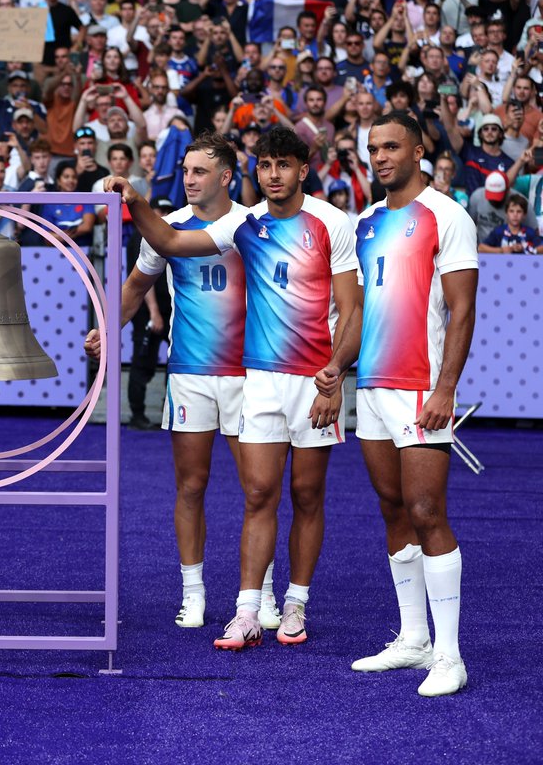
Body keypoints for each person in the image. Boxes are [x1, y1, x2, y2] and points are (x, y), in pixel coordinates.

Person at [113, 126, 361, 651]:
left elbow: (353, 307)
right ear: (255, 172)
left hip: (314, 380)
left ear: (302, 169)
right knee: (256, 493)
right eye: (265, 165)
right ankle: (246, 608)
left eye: (283, 165)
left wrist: (336, 373)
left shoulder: (331, 222)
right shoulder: (244, 226)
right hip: (259, 383)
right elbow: (171, 242)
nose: (273, 175)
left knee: (307, 494)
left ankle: (292, 601)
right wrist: (135, 199)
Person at [315, 111, 478, 697]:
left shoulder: (447, 215)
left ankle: (451, 657)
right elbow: (357, 313)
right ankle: (414, 640)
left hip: (421, 387)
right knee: (392, 508)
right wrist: (336, 366)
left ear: (417, 151)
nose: (381, 157)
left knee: (427, 510)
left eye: (392, 147)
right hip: (374, 388)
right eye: (373, 148)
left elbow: (462, 310)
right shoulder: (366, 222)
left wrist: (445, 389)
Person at [90, 133, 277, 629]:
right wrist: (108, 331)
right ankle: (193, 593)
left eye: (199, 172)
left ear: (226, 178)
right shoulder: (168, 226)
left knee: (257, 491)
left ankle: (264, 593)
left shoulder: (250, 223)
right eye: (186, 171)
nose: (189, 179)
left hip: (246, 374)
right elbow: (135, 286)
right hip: (190, 376)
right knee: (190, 486)